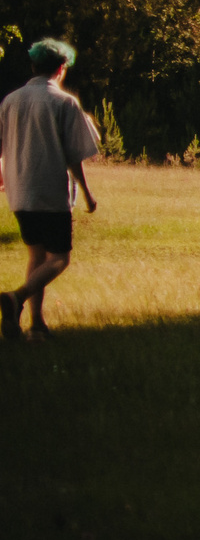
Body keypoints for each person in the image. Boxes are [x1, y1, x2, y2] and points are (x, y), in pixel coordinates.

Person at [0, 39, 102, 341]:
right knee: (59, 258)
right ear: (61, 68)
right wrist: (86, 193)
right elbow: (74, 154)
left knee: (36, 255)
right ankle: (16, 298)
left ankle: (36, 324)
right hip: (50, 191)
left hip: (19, 191)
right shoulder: (63, 102)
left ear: (33, 66)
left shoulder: (10, 100)